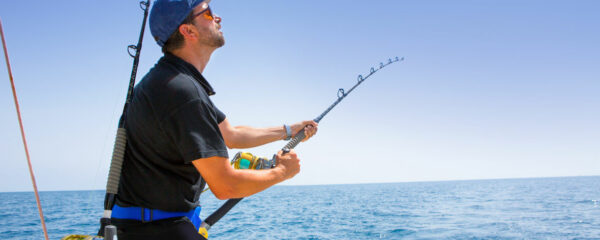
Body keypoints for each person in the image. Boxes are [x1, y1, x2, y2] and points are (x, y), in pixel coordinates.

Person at [110, 0, 318, 239]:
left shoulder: (171, 81)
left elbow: (231, 135)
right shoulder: (182, 92)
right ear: (188, 31)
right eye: (207, 13)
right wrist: (283, 172)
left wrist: (290, 130)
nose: (218, 17)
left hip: (143, 226)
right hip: (159, 230)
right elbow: (225, 185)